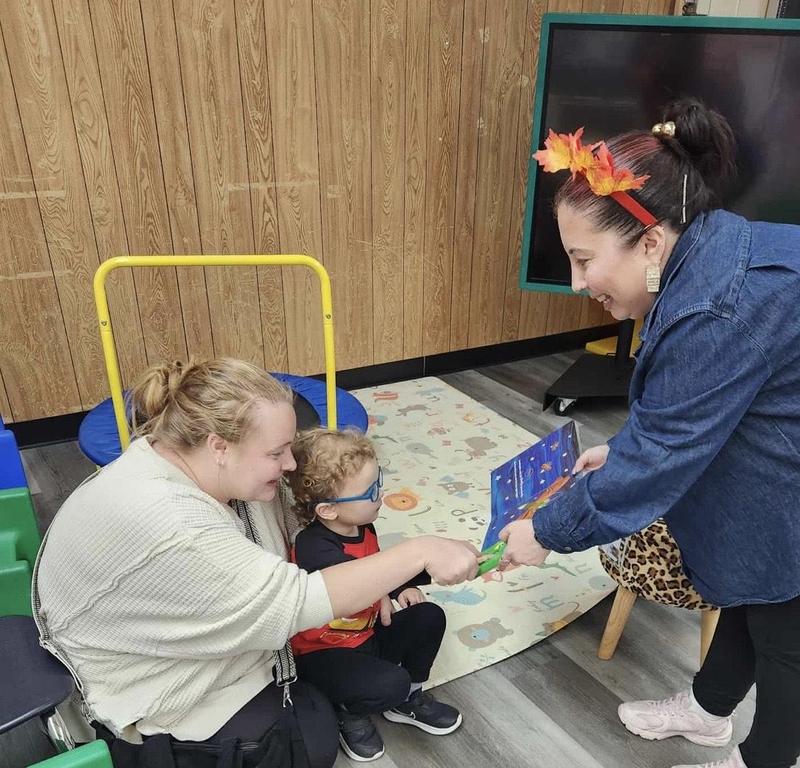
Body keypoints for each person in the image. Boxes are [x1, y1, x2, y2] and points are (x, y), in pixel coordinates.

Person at [500, 98, 800, 768]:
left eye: (585, 260)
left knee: (788, 623)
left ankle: (768, 758)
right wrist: (624, 449)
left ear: (651, 243)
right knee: (750, 579)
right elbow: (690, 413)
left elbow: (662, 456)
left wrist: (545, 530)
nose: (579, 283)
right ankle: (708, 709)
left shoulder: (715, 307)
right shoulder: (708, 251)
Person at [33, 358, 479, 768]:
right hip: (136, 699)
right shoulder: (175, 527)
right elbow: (294, 600)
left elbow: (306, 515)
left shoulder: (179, 459)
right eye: (276, 453)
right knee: (309, 737)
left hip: (168, 645)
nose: (288, 465)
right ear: (219, 445)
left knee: (320, 710)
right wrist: (418, 551)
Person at [285, 428, 461, 762]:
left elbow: (379, 567)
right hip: (322, 653)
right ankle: (348, 711)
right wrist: (384, 587)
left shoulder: (364, 526)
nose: (380, 495)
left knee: (430, 616)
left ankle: (409, 698)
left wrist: (402, 587)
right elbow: (351, 585)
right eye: (370, 492)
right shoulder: (313, 546)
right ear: (328, 510)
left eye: (378, 482)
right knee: (387, 683)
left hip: (366, 635)